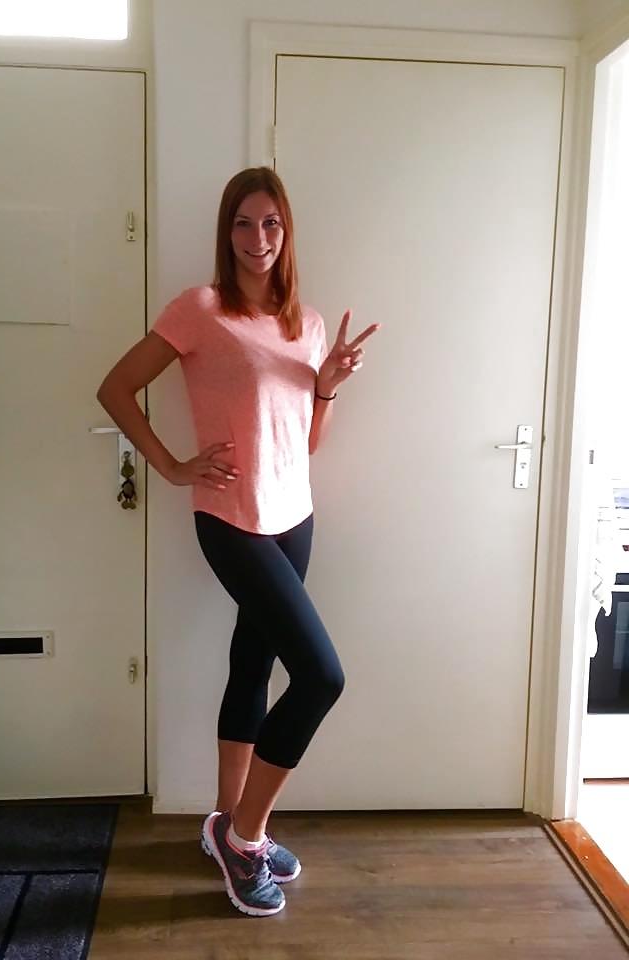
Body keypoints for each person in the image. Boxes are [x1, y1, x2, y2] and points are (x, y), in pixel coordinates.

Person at [97, 166, 379, 917]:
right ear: (227, 232)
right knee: (320, 677)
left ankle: (226, 822)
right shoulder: (200, 309)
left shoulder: (305, 323)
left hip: (294, 516)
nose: (259, 238)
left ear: (288, 233)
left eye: (272, 224)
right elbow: (115, 388)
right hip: (229, 517)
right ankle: (245, 836)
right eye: (244, 223)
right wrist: (172, 466)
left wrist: (326, 383)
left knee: (252, 665)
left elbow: (307, 440)